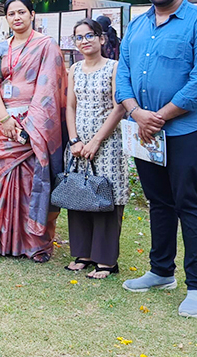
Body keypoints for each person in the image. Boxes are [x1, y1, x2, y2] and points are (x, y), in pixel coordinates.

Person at [116, 0, 197, 318]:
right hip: (143, 132)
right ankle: (161, 271)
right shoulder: (137, 25)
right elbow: (124, 75)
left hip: (185, 131)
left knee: (188, 204)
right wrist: (136, 113)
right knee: (158, 202)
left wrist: (158, 117)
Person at [0, 0, 67, 262]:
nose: (16, 18)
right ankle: (6, 240)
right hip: (5, 124)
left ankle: (34, 243)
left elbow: (50, 88)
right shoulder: (0, 49)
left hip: (36, 123)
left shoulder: (46, 46)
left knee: (34, 182)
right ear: (6, 18)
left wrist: (31, 125)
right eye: (11, 14)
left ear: (32, 15)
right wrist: (5, 118)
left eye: (21, 12)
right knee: (6, 179)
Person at [63, 18, 127, 279]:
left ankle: (106, 261)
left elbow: (119, 107)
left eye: (90, 35)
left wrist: (96, 141)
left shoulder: (114, 68)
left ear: (102, 39)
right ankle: (83, 254)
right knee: (79, 194)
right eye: (79, 37)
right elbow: (70, 107)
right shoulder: (75, 69)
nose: (85, 40)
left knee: (105, 197)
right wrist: (74, 140)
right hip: (78, 145)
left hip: (107, 143)